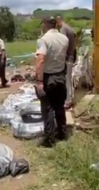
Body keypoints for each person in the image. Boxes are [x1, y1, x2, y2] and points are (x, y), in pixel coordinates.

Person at [35, 17, 69, 147]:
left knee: (48, 108)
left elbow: (41, 60)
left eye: (43, 24)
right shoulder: (64, 38)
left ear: (46, 24)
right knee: (60, 106)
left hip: (49, 77)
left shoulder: (43, 40)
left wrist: (39, 80)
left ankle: (49, 139)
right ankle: (62, 132)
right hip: (60, 75)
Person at [56, 15, 76, 108]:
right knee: (69, 79)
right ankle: (70, 98)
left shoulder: (63, 29)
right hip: (71, 56)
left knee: (66, 80)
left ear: (58, 22)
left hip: (67, 58)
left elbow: (62, 44)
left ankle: (68, 101)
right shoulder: (70, 28)